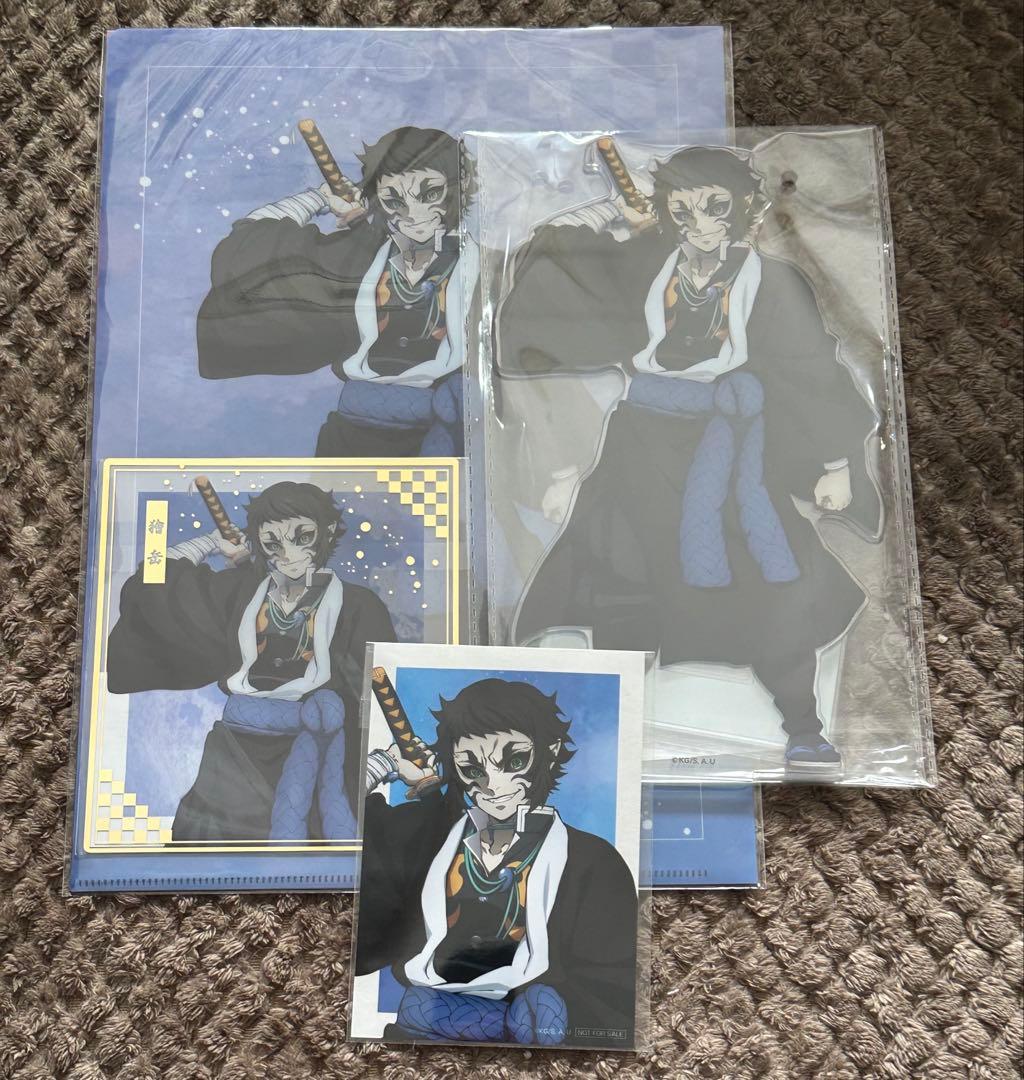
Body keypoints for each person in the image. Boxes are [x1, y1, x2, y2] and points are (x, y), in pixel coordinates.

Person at [498, 145, 881, 770]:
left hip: (737, 451)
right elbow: (562, 266)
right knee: (622, 573)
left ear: (746, 208)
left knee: (774, 580)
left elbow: (811, 369)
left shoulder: (774, 280)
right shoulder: (644, 263)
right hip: (641, 443)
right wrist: (566, 470)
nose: (700, 224)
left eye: (715, 208)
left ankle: (803, 727)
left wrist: (835, 461)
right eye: (681, 211)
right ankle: (603, 731)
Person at [356, 678, 638, 1047]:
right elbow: (344, 828)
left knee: (538, 1013)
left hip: (539, 1033)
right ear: (453, 765)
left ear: (550, 752)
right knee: (418, 1007)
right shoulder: (432, 835)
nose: (493, 785)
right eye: (472, 769)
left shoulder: (593, 862)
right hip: (426, 1025)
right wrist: (382, 765)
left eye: (515, 761)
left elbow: (612, 993)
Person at [107, 481, 396, 841]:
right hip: (236, 753)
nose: (288, 554)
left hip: (323, 753)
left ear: (328, 531)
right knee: (206, 853)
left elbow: (382, 692)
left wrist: (382, 761)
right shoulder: (240, 591)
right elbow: (153, 583)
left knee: (321, 854)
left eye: (303, 537)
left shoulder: (359, 606)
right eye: (272, 543)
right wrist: (210, 542)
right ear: (259, 543)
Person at [197, 126, 478, 456]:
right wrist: (317, 198)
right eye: (394, 200)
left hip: (449, 437)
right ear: (377, 201)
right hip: (353, 434)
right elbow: (245, 257)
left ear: (457, 190)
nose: (412, 213)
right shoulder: (354, 258)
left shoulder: (488, 268)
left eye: (429, 195)